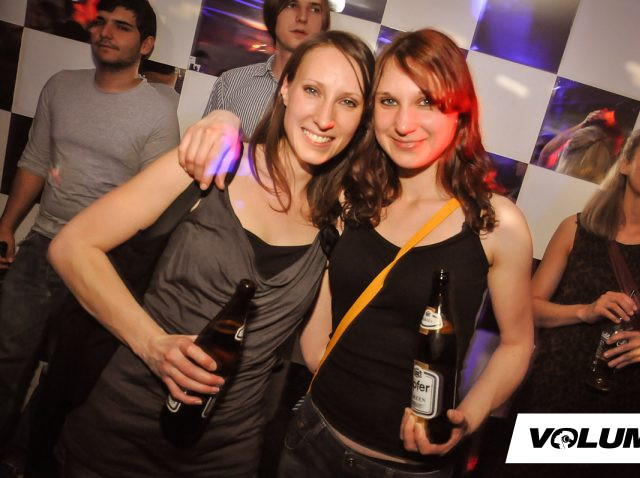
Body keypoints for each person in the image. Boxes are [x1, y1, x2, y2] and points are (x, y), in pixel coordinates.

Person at [48, 30, 374, 476]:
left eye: (348, 102)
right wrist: (152, 344)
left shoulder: (339, 220)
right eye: (313, 90)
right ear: (285, 89)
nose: (325, 117)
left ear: (362, 118)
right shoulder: (210, 163)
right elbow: (72, 246)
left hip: (227, 454)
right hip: (119, 434)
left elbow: (317, 350)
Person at [276, 29, 535, 477]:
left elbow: (517, 343)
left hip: (408, 469)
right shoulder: (351, 196)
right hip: (312, 439)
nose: (403, 123)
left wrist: (468, 417)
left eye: (426, 102)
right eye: (389, 101)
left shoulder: (495, 223)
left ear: (460, 110)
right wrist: (220, 123)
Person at [0, 0, 179, 448]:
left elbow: (156, 204)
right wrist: (7, 225)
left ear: (146, 44)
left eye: (122, 27)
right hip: (43, 243)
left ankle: (27, 457)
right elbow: (35, 161)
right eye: (100, 22)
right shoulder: (61, 85)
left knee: (67, 376)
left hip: (105, 259)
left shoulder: (158, 111)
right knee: (7, 354)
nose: (105, 32)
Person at [503, 120, 640, 477]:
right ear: (626, 164)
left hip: (632, 415)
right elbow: (528, 310)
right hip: (553, 395)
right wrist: (585, 311)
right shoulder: (576, 228)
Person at [204, 0, 331, 141]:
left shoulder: (333, 96)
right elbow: (203, 148)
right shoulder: (230, 84)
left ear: (323, 22)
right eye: (292, 5)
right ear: (273, 14)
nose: (302, 17)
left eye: (314, 9)